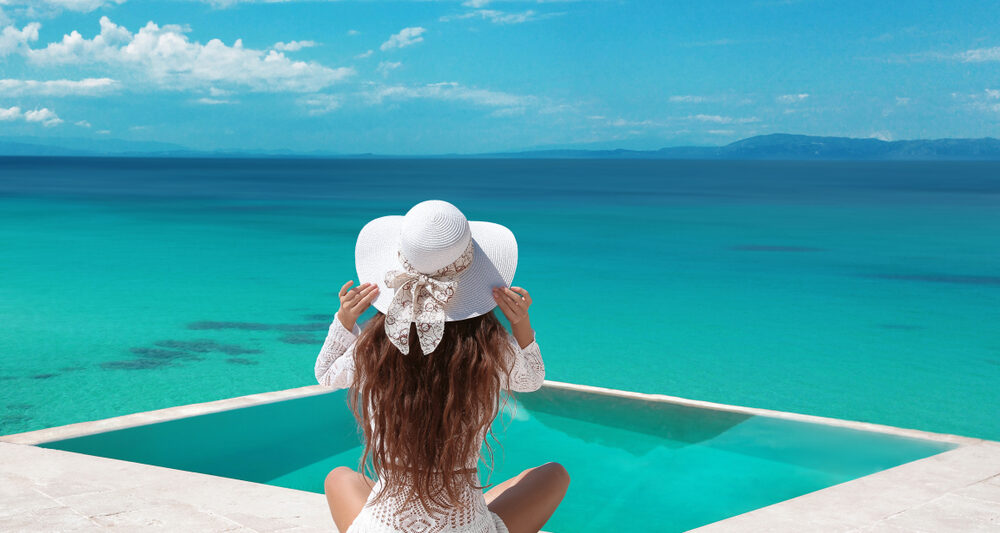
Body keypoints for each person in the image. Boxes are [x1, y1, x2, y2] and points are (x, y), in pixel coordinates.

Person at [314, 200, 570, 533]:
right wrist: (520, 324)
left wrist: (345, 320)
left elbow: (326, 373)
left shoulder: (375, 348)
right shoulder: (487, 349)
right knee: (553, 474)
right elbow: (531, 379)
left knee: (340, 477)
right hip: (464, 527)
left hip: (383, 529)